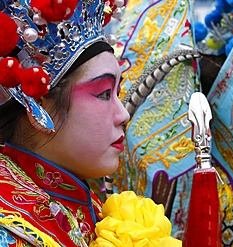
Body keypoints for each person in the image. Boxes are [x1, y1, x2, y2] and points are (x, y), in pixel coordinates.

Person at [0, 0, 135, 246]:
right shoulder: (12, 234)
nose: (123, 114)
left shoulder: (81, 201)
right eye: (104, 93)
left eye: (118, 92)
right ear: (38, 107)